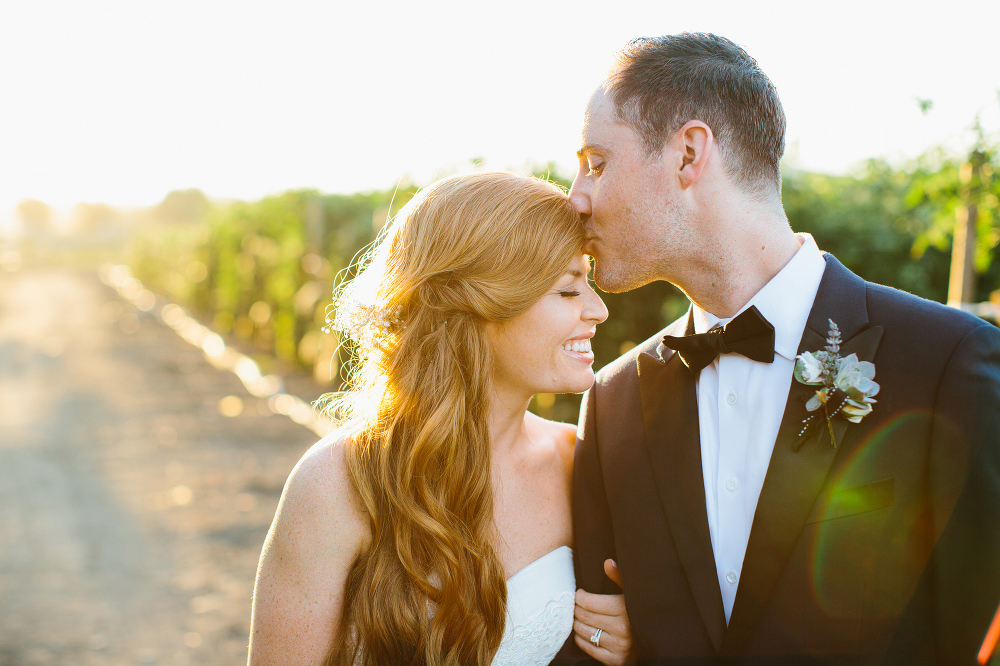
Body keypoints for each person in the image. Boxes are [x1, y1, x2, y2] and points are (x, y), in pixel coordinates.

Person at [555, 33, 1000, 664]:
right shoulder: (613, 403)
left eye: (596, 162)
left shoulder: (947, 364)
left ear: (687, 154)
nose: (577, 195)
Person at [248, 172, 634, 666]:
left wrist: (634, 645)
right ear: (478, 303)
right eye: (567, 291)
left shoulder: (579, 462)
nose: (599, 311)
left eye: (590, 283)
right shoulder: (339, 480)